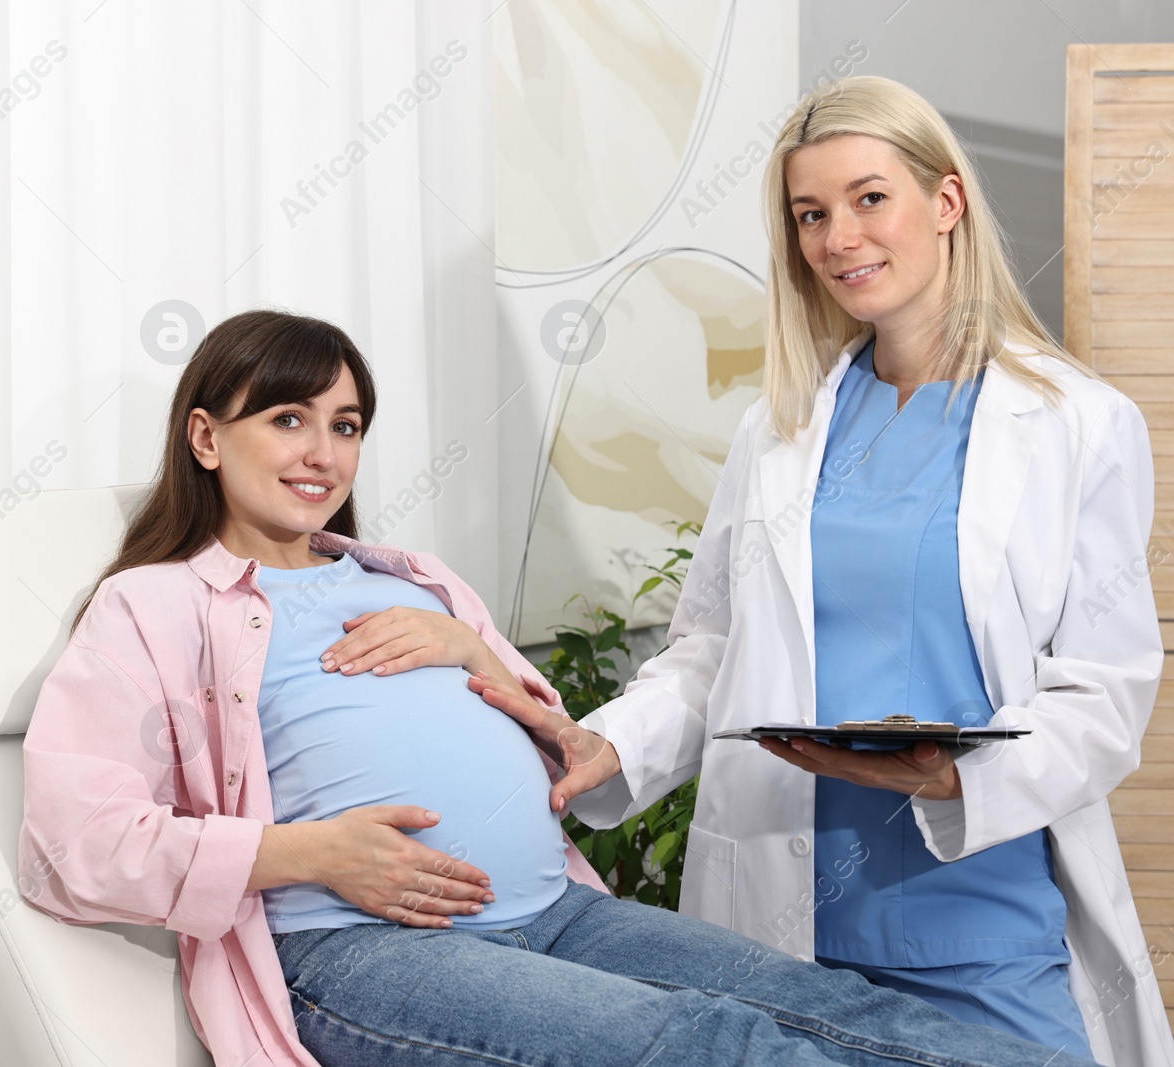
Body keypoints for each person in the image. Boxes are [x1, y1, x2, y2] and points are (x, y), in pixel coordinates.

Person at [18, 308, 1100, 1066]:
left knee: (832, 1006)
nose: (322, 452)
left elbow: (561, 754)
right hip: (355, 950)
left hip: (556, 911)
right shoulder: (152, 606)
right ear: (205, 435)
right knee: (718, 1049)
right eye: (286, 419)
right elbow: (74, 836)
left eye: (344, 424)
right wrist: (303, 850)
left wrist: (476, 653)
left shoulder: (415, 578)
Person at [471, 76, 1172, 1066]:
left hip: (984, 909)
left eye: (867, 198)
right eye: (810, 213)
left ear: (945, 202)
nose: (837, 236)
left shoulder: (1074, 421)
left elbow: (1106, 688)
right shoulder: (781, 428)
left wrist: (955, 773)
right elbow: (711, 648)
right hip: (788, 924)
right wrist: (606, 746)